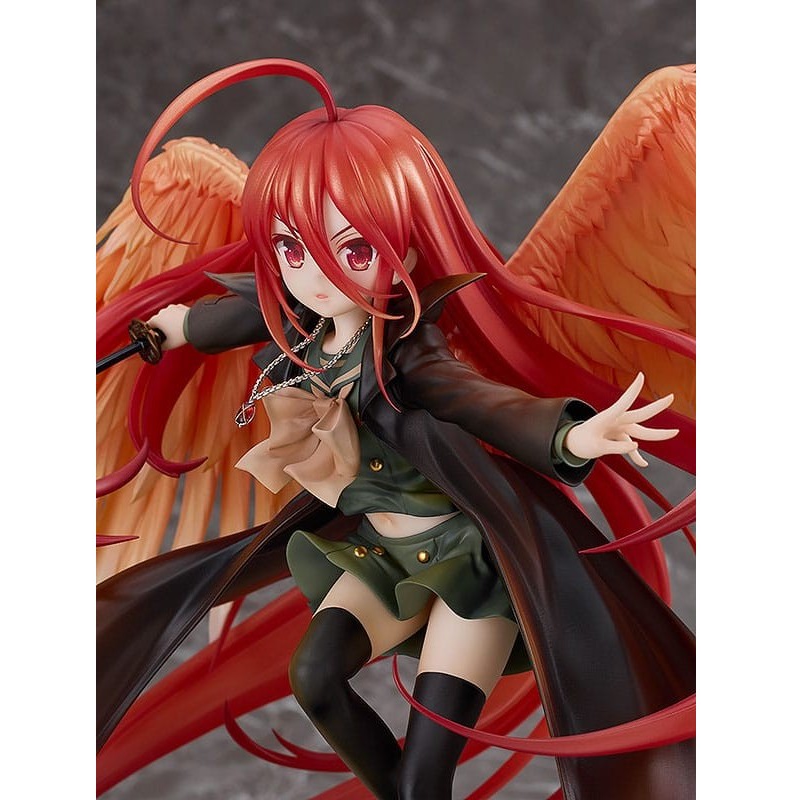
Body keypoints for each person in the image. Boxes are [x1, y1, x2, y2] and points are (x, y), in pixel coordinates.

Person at [96, 59, 696, 800]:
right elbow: (242, 315)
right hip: (380, 556)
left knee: (422, 778)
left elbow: (475, 401)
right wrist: (178, 326)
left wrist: (570, 437)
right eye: (292, 249)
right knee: (316, 678)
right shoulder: (305, 323)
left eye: (353, 251)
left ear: (406, 249)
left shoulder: (409, 351)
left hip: (472, 572)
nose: (317, 276)